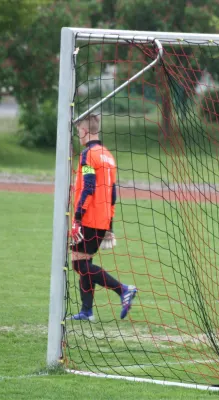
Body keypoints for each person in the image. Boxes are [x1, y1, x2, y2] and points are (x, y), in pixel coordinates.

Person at [69, 114, 137, 321]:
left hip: (89, 217)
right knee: (84, 261)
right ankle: (86, 311)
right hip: (103, 218)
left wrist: (78, 217)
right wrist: (110, 224)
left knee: (79, 264)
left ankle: (123, 289)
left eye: (78, 130)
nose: (78, 134)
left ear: (83, 131)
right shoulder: (108, 155)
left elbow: (88, 186)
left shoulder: (88, 155)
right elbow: (113, 193)